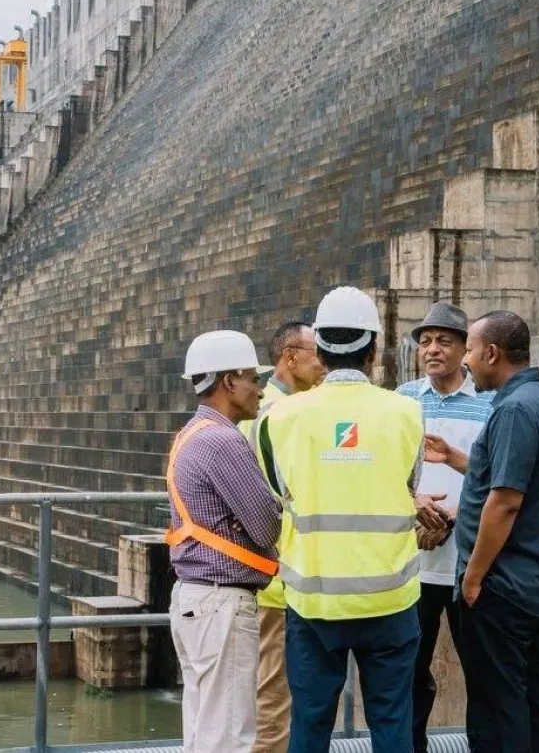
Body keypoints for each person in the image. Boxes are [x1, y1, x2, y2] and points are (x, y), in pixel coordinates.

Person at [264, 286, 425, 753]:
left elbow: (280, 491)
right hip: (390, 601)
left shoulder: (283, 417)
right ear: (373, 348)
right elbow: (409, 485)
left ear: (322, 349)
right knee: (393, 724)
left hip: (314, 601)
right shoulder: (406, 412)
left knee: (309, 726)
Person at [423, 311, 539, 753]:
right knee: (534, 697)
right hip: (534, 583)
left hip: (501, 587)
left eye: (468, 349)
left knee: (496, 706)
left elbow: (505, 501)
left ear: (492, 353)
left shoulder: (513, 410)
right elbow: (505, 477)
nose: (465, 361)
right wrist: (454, 458)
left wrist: (472, 576)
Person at [166, 330, 284, 753]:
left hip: (197, 601)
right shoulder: (223, 442)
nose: (261, 388)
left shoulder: (193, 433)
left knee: (203, 732)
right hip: (222, 605)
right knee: (230, 737)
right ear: (229, 382)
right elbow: (267, 526)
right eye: (253, 378)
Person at [395, 302, 493, 753]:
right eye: (425, 341)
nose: (432, 350)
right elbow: (382, 470)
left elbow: (495, 477)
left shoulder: (489, 405)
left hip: (466, 564)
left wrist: (451, 516)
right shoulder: (401, 401)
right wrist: (412, 503)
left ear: (465, 350)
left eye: (445, 341)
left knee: (482, 670)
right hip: (411, 567)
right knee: (410, 674)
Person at [244, 321, 327, 753]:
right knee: (273, 699)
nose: (325, 362)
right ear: (290, 357)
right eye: (317, 352)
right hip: (277, 584)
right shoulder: (276, 415)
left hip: (282, 581)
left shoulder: (276, 407)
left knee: (276, 695)